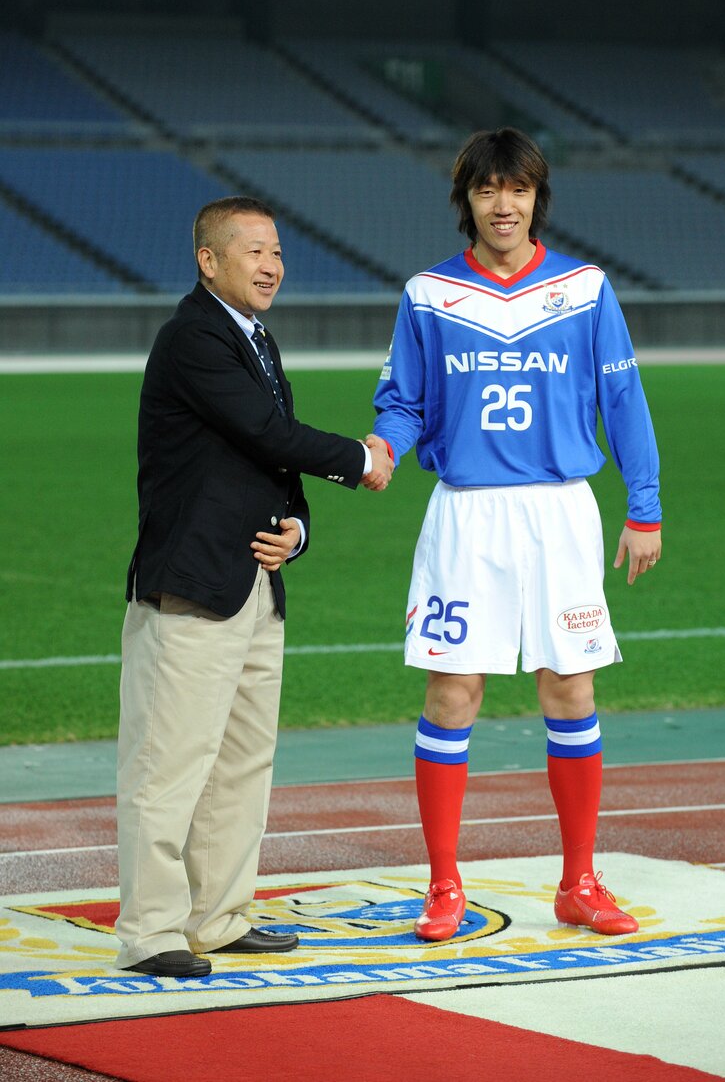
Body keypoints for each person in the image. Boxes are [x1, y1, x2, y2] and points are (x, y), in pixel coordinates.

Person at [368, 127, 661, 941]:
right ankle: (443, 886)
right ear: (465, 199)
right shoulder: (428, 294)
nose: (505, 204)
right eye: (489, 189)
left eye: (519, 189)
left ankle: (578, 881)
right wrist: (384, 444)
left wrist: (644, 507)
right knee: (452, 690)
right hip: (465, 516)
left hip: (561, 509)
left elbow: (623, 403)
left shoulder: (584, 287)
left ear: (537, 197)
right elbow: (402, 398)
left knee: (570, 689)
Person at [116, 195, 392, 977]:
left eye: (277, 251)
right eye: (254, 251)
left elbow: (267, 463)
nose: (272, 264)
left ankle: (218, 916)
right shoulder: (194, 337)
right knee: (167, 766)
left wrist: (297, 530)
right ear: (209, 260)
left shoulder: (256, 339)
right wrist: (360, 459)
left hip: (255, 586)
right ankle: (152, 930)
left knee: (241, 764)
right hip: (194, 585)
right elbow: (269, 434)